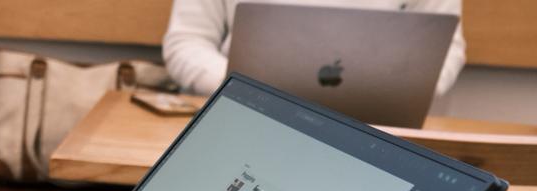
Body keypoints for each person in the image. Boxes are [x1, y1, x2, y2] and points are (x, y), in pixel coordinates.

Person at [163, 0, 467, 97]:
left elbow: (444, 50)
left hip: (375, 130)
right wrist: (244, 86)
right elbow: (187, 41)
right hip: (245, 113)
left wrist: (383, 90)